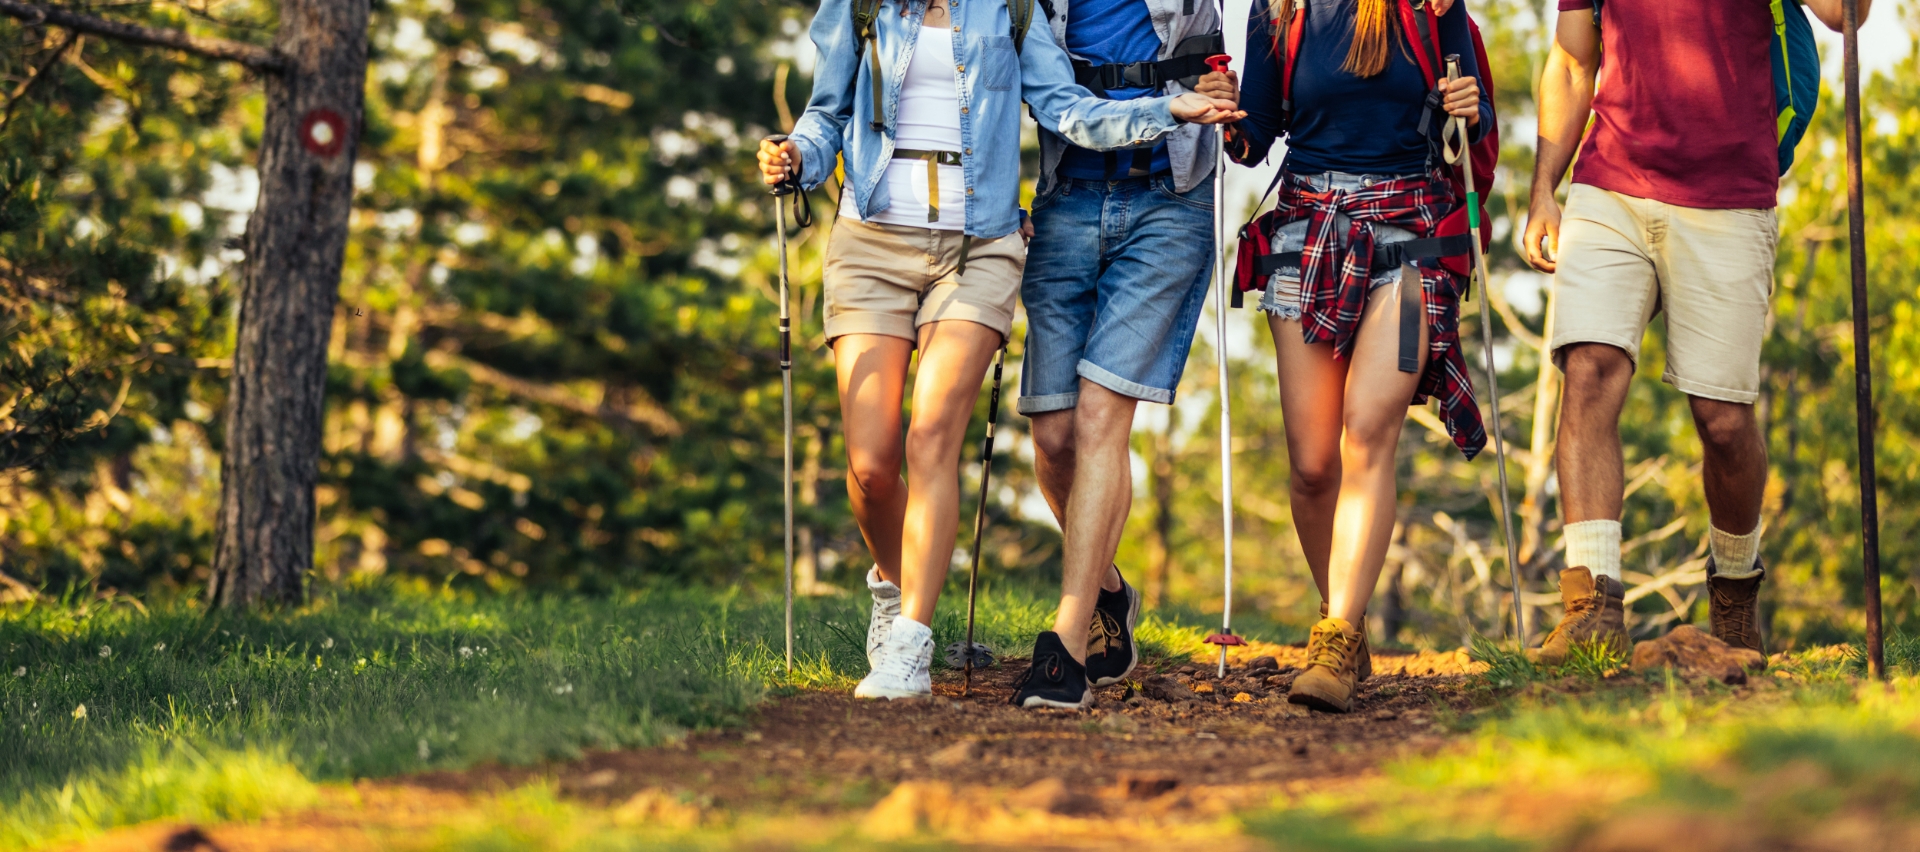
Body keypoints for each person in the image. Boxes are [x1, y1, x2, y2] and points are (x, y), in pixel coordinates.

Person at [758, 0, 1241, 700]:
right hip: (870, 243)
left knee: (931, 437)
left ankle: (912, 647)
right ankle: (893, 597)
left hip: (976, 249)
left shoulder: (1012, 11)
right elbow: (825, 114)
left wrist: (1170, 112)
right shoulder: (860, 6)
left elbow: (1065, 109)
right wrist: (798, 158)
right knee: (870, 466)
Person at [1523, 0, 1867, 663]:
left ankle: (1735, 597)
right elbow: (1572, 60)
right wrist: (1545, 189)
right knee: (1590, 368)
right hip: (1611, 182)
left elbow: (1843, 15)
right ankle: (1591, 606)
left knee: (1724, 422)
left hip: (1729, 192)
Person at [1213, 0, 1490, 714]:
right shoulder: (1280, 9)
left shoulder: (1434, 5)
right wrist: (1228, 120)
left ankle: (1335, 637)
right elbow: (1257, 136)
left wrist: (1470, 106)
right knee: (1312, 466)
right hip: (1306, 234)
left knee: (1369, 432)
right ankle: (1348, 616)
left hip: (1409, 238)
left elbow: (1468, 122)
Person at [1004, 0, 1243, 710]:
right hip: (1067, 201)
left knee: (1101, 418)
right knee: (1053, 437)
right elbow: (1051, 104)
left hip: (1171, 201)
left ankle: (1067, 646)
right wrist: (1175, 106)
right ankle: (1109, 592)